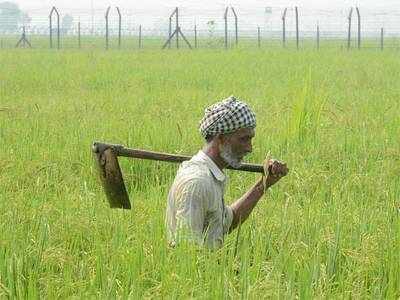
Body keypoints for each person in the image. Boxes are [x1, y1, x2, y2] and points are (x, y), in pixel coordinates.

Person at [166, 96, 288, 249]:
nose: (249, 148)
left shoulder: (211, 175)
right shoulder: (197, 182)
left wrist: (263, 184)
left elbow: (227, 223)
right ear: (221, 139)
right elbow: (185, 251)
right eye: (244, 139)